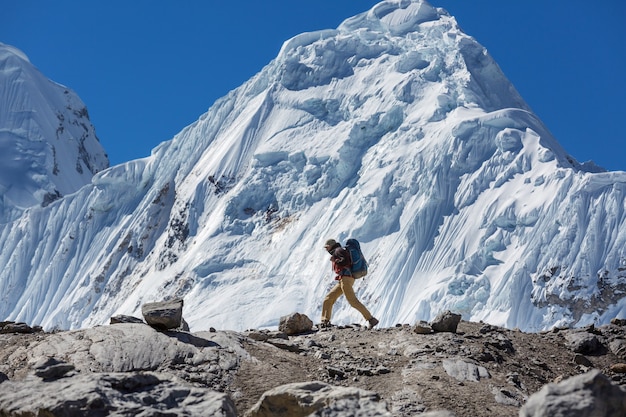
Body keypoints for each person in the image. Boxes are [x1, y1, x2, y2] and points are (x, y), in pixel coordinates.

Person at [320, 238, 379, 329]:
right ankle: (325, 321)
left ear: (331, 245)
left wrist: (334, 260)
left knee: (353, 301)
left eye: (327, 247)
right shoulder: (338, 251)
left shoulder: (338, 250)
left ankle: (371, 319)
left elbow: (346, 261)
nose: (326, 249)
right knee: (328, 298)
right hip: (343, 279)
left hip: (346, 279)